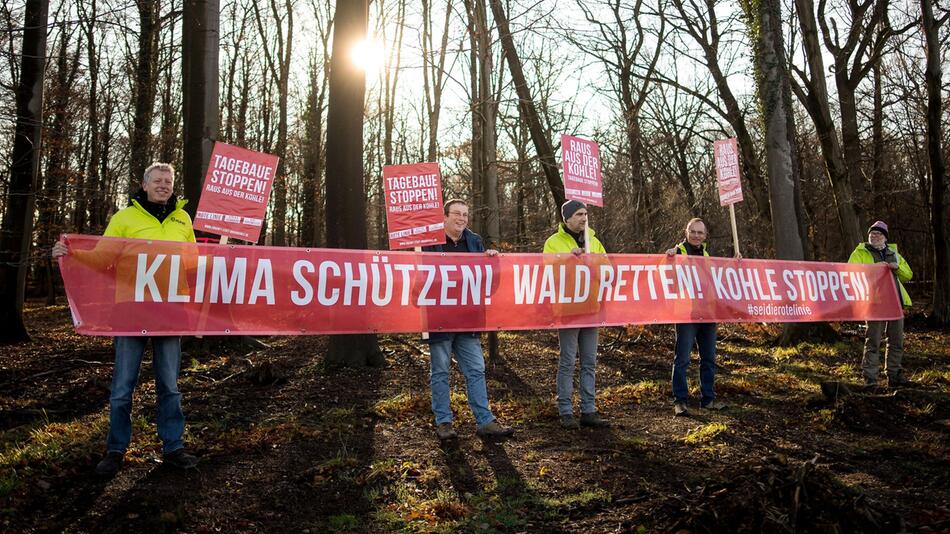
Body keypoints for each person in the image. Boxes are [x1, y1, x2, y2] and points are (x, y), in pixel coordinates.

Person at [52, 162, 199, 476]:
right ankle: (116, 450)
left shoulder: (182, 219)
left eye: (168, 181)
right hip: (131, 310)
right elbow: (103, 258)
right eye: (157, 180)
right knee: (122, 387)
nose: (163, 185)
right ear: (144, 185)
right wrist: (71, 253)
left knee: (169, 386)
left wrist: (232, 258)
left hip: (171, 311)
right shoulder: (124, 218)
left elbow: (193, 264)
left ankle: (173, 448)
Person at [421, 199, 514, 440]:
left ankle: (484, 421)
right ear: (444, 217)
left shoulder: (474, 241)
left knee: (476, 369)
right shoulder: (428, 243)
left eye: (465, 214)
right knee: (440, 371)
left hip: (467, 319)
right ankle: (444, 423)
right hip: (439, 318)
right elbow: (418, 282)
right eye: (456, 214)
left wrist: (492, 262)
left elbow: (487, 284)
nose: (461, 218)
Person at [543, 200, 610, 429]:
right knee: (568, 361)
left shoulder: (594, 241)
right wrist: (569, 260)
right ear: (567, 218)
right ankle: (565, 411)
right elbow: (546, 273)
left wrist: (595, 264)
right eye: (579, 214)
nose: (584, 217)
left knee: (589, 361)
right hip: (568, 311)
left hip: (591, 309)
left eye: (585, 213)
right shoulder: (553, 242)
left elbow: (608, 272)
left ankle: (588, 410)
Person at [665, 218, 730, 416]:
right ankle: (680, 401)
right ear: (686, 232)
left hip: (708, 314)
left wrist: (737, 263)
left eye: (700, 232)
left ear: (705, 235)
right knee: (682, 358)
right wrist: (669, 257)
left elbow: (716, 280)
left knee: (709, 358)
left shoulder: (707, 255)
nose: (696, 235)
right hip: (686, 314)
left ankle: (708, 399)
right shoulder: (678, 253)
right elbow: (669, 277)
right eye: (692, 231)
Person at [847, 220, 913, 387]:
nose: (874, 236)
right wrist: (875, 268)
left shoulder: (894, 253)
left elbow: (908, 275)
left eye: (878, 234)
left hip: (895, 302)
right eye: (872, 234)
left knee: (896, 341)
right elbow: (851, 272)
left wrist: (897, 267)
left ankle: (894, 375)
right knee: (873, 341)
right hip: (873, 303)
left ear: (885, 238)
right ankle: (870, 379)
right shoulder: (860, 252)